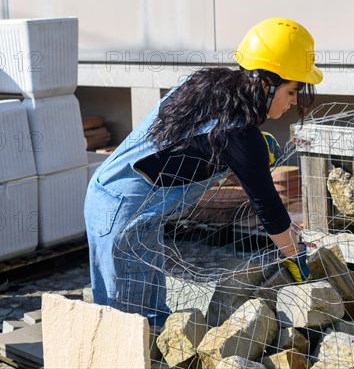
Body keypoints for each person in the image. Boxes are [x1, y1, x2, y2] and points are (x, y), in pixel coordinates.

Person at [84, 17, 323, 327]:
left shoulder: (212, 85)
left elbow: (191, 144)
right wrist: (297, 258)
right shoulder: (238, 134)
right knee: (125, 323)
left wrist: (250, 154)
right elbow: (269, 208)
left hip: (128, 202)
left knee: (150, 312)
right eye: (292, 92)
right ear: (267, 83)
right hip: (120, 209)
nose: (293, 101)